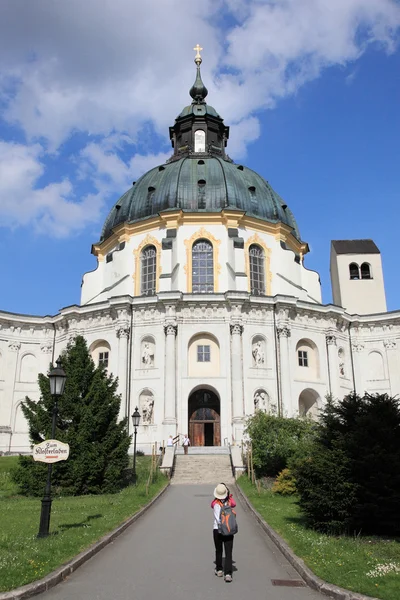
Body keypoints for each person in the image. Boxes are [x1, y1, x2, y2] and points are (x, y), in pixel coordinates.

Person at [211, 483, 236, 582]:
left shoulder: (216, 504)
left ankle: (219, 569)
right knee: (228, 552)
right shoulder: (229, 502)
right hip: (229, 529)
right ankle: (228, 573)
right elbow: (234, 505)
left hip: (218, 529)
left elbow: (218, 519)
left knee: (219, 550)